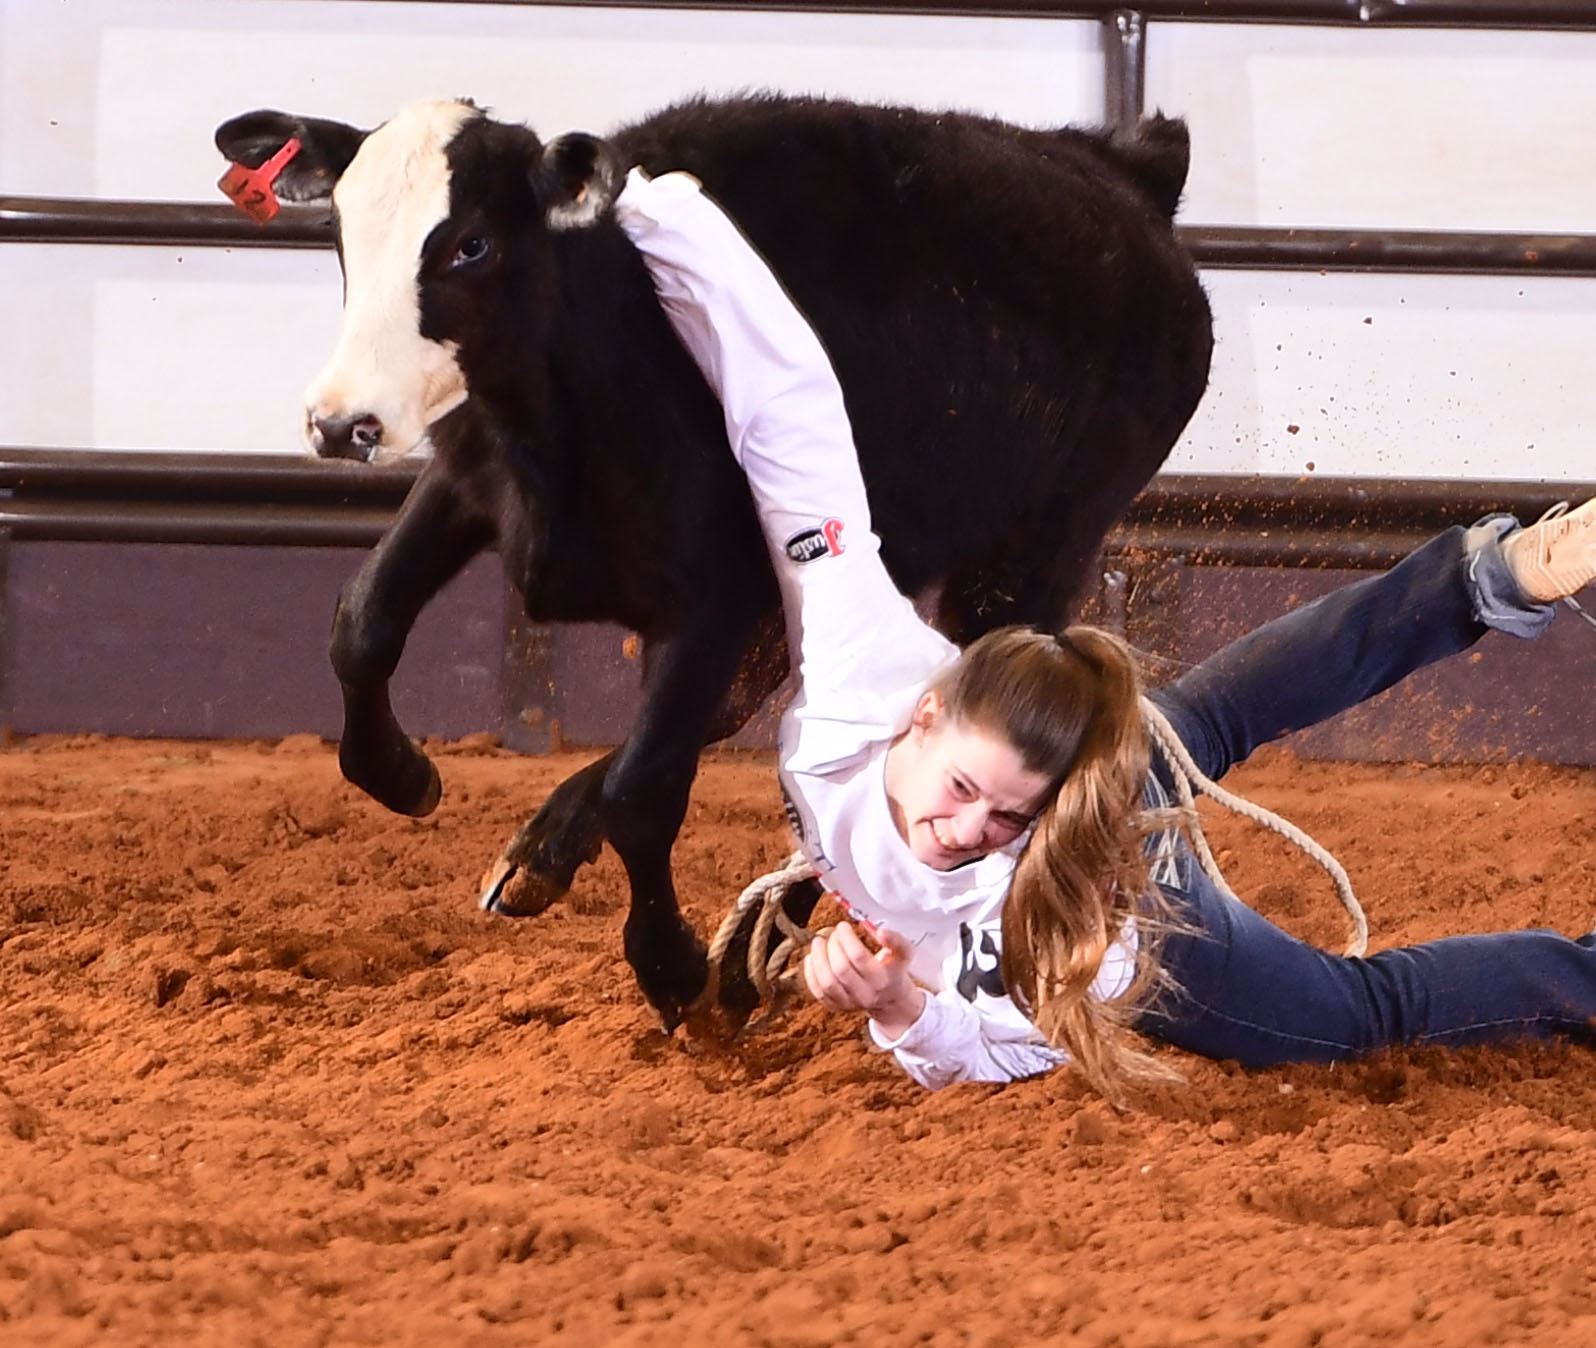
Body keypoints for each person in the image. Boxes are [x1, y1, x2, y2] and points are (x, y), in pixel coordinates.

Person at [613, 170, 1596, 1098]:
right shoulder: (860, 648)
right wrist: (663, 221)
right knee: (1210, 713)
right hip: (1084, 774)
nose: (964, 834)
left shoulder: (1069, 906)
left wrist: (907, 1010)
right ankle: (1477, 581)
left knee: (1355, 1013)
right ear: (922, 712)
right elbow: (791, 423)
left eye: (1000, 818)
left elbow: (1019, 1040)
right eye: (964, 791)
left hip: (1118, 884)